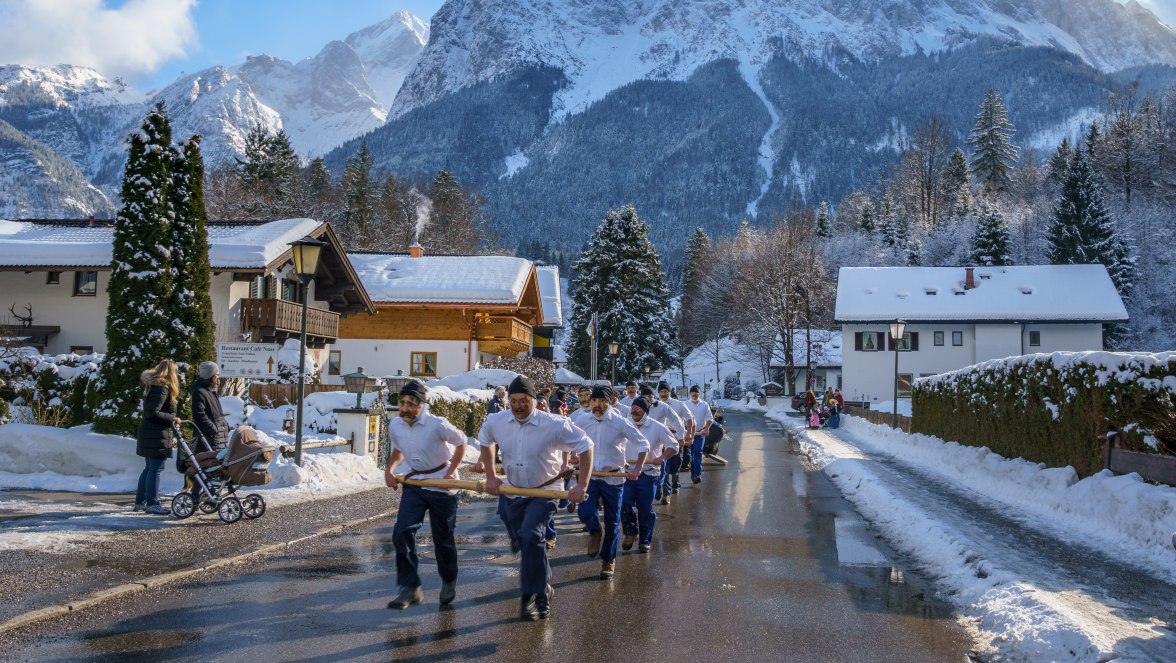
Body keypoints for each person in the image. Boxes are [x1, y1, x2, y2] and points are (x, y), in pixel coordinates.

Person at [478, 376, 593, 621]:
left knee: (531, 534)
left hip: (546, 491)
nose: (518, 406)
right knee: (529, 542)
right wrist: (490, 475)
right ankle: (545, 587)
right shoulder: (496, 421)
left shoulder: (554, 424)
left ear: (534, 401)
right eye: (514, 401)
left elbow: (586, 444)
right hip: (514, 491)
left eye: (524, 401)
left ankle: (531, 595)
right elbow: (485, 441)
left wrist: (582, 484)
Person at [384, 380, 468, 610]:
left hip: (442, 485)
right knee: (401, 532)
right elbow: (399, 449)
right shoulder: (396, 426)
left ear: (422, 404)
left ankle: (449, 580)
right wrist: (390, 469)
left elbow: (462, 442)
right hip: (415, 483)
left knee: (442, 539)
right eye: (403, 403)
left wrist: (450, 472)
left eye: (412, 404)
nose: (406, 408)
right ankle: (410, 587)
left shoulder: (437, 424)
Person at [576, 386, 648, 580]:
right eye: (594, 400)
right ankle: (594, 530)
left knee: (613, 521)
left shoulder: (620, 422)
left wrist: (637, 469)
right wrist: (570, 457)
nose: (597, 405)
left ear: (609, 402)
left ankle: (608, 560)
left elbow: (643, 445)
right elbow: (567, 438)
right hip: (590, 476)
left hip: (613, 478)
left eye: (601, 401)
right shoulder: (582, 420)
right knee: (584, 511)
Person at [622, 397, 678, 554]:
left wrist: (662, 457)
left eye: (638, 408)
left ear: (645, 411)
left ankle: (644, 540)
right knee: (624, 503)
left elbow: (673, 445)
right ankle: (631, 532)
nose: (634, 410)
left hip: (648, 474)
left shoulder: (657, 427)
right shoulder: (624, 424)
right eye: (633, 407)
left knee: (645, 508)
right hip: (627, 472)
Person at [135, 359, 182, 515]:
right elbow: (152, 412)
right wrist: (172, 418)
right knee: (155, 468)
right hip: (156, 434)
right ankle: (152, 503)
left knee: (149, 467)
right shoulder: (162, 389)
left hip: (150, 433)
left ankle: (140, 501)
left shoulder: (153, 386)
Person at [638, 384, 684, 502]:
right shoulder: (636, 408)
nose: (647, 399)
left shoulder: (663, 407)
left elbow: (677, 421)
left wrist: (680, 437)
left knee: (662, 468)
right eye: (644, 396)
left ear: (653, 396)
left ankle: (661, 489)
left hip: (659, 442)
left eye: (649, 396)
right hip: (641, 444)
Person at [657, 381, 694, 499]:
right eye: (661, 392)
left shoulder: (679, 404)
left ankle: (675, 482)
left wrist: (688, 434)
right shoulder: (655, 405)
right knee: (664, 466)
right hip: (661, 439)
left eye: (665, 391)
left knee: (675, 463)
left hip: (677, 436)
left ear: (669, 392)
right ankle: (665, 494)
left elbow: (689, 419)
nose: (663, 394)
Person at [190, 361, 229, 451]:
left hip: (218, 437)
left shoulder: (210, 391)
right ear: (211, 376)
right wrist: (213, 429)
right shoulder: (199, 392)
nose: (218, 377)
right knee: (209, 463)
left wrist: (225, 425)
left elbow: (217, 413)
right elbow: (199, 415)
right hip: (208, 438)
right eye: (217, 374)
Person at [684, 385, 714, 484]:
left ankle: (697, 474)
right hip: (688, 433)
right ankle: (693, 473)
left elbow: (709, 418)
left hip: (700, 433)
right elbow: (679, 418)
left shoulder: (704, 405)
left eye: (696, 392)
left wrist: (706, 428)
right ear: (690, 394)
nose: (694, 394)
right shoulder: (685, 404)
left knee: (697, 452)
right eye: (692, 392)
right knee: (690, 455)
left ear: (699, 394)